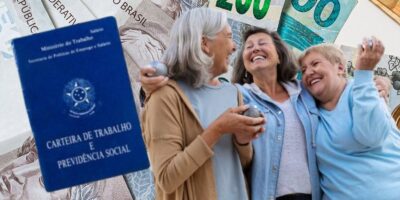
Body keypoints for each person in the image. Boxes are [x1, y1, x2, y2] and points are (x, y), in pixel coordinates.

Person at [141, 8, 265, 200]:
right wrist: (217, 129)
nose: (234, 48)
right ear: (204, 43)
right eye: (229, 37)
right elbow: (166, 178)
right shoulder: (165, 97)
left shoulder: (232, 93)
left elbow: (241, 163)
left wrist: (242, 139)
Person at [298, 39, 400, 199]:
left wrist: (365, 74)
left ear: (339, 67)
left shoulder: (364, 89)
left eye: (315, 63)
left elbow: (371, 135)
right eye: (303, 70)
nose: (308, 72)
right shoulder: (308, 108)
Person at [230, 27, 320, 200]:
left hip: (312, 195)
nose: (255, 48)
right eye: (249, 47)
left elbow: (338, 90)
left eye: (262, 43)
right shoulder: (237, 95)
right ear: (244, 63)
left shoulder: (304, 92)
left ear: (279, 56)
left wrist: (378, 83)